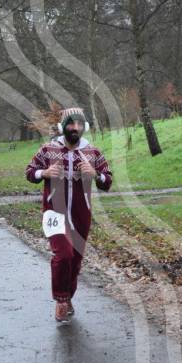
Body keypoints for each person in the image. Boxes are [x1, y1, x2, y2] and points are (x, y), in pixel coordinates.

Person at [25, 107, 112, 323]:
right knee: (63, 255)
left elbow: (107, 181)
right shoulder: (47, 150)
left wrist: (96, 175)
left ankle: (68, 296)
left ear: (85, 127)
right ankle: (61, 301)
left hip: (82, 214)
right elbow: (29, 172)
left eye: (80, 124)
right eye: (71, 124)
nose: (75, 128)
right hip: (54, 212)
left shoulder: (93, 152)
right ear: (62, 126)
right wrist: (43, 173)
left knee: (76, 260)